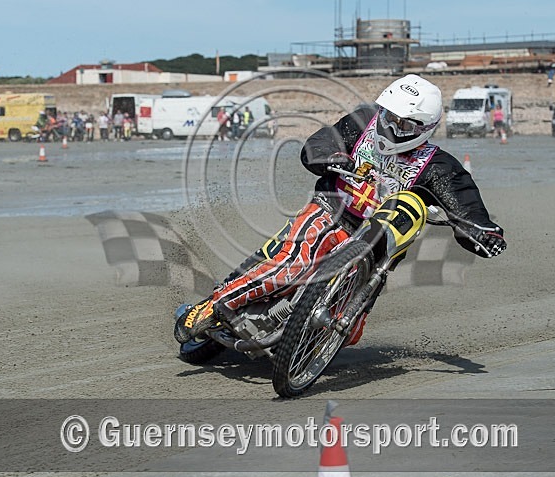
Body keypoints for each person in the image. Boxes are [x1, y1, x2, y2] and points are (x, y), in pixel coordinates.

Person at [175, 74, 506, 344]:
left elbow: (468, 208)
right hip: (330, 211)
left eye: (402, 123)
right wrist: (332, 157)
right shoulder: (363, 122)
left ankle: (316, 325)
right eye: (388, 116)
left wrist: (483, 233)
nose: (391, 126)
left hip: (376, 247)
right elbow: (319, 143)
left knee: (350, 334)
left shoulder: (439, 166)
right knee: (291, 267)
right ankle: (212, 306)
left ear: (424, 128)